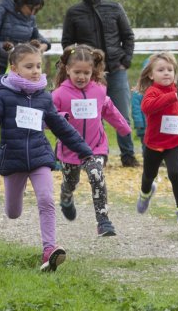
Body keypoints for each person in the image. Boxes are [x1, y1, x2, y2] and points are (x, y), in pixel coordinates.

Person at [0, 41, 95, 272]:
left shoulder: (43, 97)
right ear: (14, 68)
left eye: (38, 66)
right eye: (29, 66)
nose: (35, 71)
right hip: (13, 160)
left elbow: (61, 128)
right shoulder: (3, 97)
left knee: (46, 200)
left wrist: (85, 151)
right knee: (13, 212)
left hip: (40, 157)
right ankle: (17, 212)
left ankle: (49, 249)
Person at [51, 44, 131, 237]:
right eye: (77, 72)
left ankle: (103, 221)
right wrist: (61, 117)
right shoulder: (59, 94)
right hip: (70, 150)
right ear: (67, 69)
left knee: (96, 175)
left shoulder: (99, 90)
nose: (81, 77)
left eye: (86, 72)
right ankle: (66, 196)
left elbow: (109, 109)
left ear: (93, 71)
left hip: (96, 146)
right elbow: (48, 117)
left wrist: (123, 128)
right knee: (71, 181)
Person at [63, 0, 138, 167]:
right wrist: (77, 63)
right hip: (90, 73)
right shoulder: (73, 13)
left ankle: (128, 155)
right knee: (93, 114)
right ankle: (97, 154)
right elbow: (67, 43)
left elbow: (128, 36)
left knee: (121, 112)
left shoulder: (114, 8)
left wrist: (126, 61)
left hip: (115, 68)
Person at [135, 52, 178, 224]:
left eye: (170, 69)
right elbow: (148, 107)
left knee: (175, 172)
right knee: (149, 175)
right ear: (151, 75)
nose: (166, 73)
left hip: (175, 140)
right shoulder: (152, 91)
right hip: (154, 143)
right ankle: (145, 193)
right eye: (161, 70)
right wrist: (172, 97)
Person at [0, 0, 50, 88]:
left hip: (23, 66)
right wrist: (10, 52)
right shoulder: (2, 11)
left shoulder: (31, 18)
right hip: (0, 64)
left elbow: (37, 37)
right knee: (1, 96)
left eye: (36, 10)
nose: (32, 13)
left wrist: (44, 45)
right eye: (31, 8)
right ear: (22, 2)